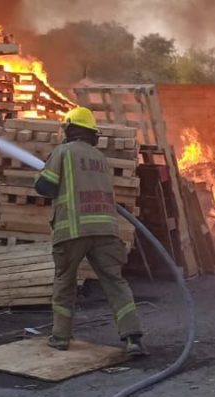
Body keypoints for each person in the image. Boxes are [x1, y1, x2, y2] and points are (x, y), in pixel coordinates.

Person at [34, 106, 147, 357]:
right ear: (91, 134)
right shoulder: (100, 159)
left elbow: (45, 187)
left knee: (65, 282)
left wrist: (43, 171)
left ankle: (61, 338)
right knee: (115, 283)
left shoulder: (63, 152)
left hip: (72, 230)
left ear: (70, 129)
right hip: (105, 231)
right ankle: (133, 339)